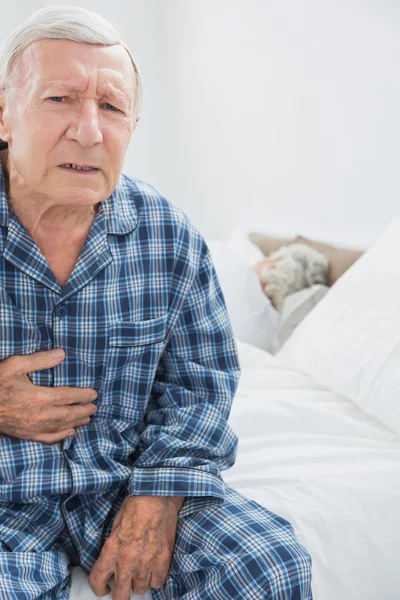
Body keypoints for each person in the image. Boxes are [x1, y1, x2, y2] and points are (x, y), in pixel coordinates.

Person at [0, 6, 313, 599]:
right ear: (5, 115)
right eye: (60, 99)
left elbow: (200, 381)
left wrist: (159, 491)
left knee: (269, 567)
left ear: (132, 127)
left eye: (111, 107)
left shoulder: (167, 234)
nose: (89, 131)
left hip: (124, 483)